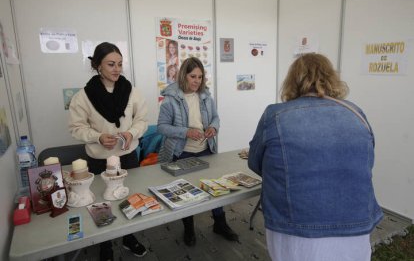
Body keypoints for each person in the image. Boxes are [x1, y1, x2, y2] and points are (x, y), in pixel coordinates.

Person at [248, 53, 383, 261]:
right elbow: (367, 162)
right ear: (331, 78)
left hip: (295, 228)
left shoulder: (275, 115)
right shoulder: (356, 113)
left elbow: (255, 163)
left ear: (293, 80)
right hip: (354, 224)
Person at [68, 42, 148, 260]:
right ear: (97, 66)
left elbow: (142, 120)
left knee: (129, 197)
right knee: (101, 204)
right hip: (98, 160)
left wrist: (131, 133)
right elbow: (76, 127)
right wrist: (98, 137)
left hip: (128, 156)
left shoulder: (131, 91)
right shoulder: (84, 96)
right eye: (111, 64)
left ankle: (129, 237)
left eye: (120, 64)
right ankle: (105, 245)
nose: (117, 69)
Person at [157, 57, 238, 246]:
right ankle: (189, 228)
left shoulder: (206, 96)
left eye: (200, 77)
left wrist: (213, 128)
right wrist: (186, 132)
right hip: (182, 152)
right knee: (187, 193)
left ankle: (220, 223)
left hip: (205, 150)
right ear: (183, 75)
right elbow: (162, 127)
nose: (197, 81)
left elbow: (216, 118)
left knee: (215, 187)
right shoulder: (170, 100)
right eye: (193, 76)